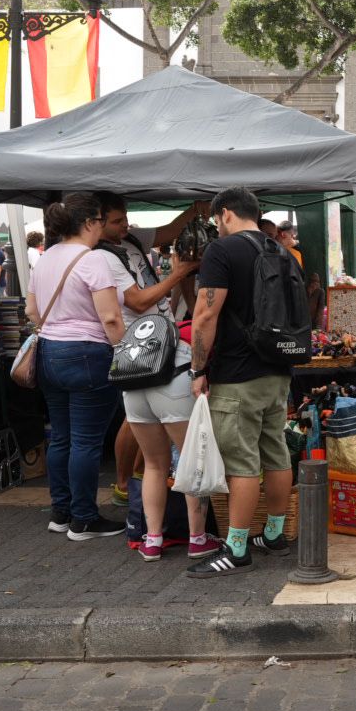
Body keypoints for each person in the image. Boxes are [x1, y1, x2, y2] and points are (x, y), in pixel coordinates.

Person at [91, 196, 212, 562]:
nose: (123, 226)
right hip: (163, 362)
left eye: (125, 219)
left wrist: (196, 207)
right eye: (115, 221)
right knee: (189, 459)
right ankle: (197, 538)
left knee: (156, 463)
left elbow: (169, 230)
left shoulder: (124, 245)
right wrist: (179, 272)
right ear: (95, 223)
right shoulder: (104, 260)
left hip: (131, 367)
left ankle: (153, 539)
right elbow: (139, 303)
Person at [186, 187, 298, 577]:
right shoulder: (282, 251)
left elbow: (204, 314)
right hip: (278, 368)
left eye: (217, 220)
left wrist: (198, 370)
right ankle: (274, 533)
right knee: (276, 453)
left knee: (241, 462)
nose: (217, 227)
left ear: (227, 214)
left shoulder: (223, 251)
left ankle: (236, 549)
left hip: (237, 374)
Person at [27, 194, 127, 541]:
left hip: (49, 354)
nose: (102, 228)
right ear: (89, 223)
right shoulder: (93, 259)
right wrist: (126, 355)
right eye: (101, 221)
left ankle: (62, 512)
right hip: (88, 354)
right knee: (86, 442)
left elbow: (32, 312)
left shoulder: (45, 258)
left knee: (62, 438)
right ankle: (84, 519)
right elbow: (111, 317)